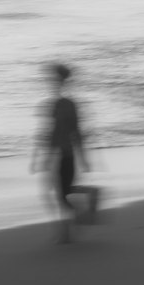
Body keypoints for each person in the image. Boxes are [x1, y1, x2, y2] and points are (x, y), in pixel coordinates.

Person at [32, 62, 98, 242]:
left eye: (53, 80)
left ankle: (68, 227)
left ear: (60, 81)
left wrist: (84, 158)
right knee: (59, 193)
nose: (51, 83)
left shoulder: (66, 105)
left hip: (64, 154)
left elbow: (75, 132)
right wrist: (37, 156)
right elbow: (46, 132)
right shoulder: (54, 104)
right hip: (56, 154)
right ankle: (66, 229)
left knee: (62, 194)